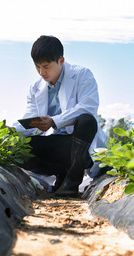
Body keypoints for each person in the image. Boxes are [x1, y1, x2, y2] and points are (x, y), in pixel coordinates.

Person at [12, 35, 107, 197]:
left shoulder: (82, 75)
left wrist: (54, 121)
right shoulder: (35, 88)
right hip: (59, 146)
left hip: (81, 145)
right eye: (37, 67)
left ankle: (73, 179)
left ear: (61, 61)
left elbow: (88, 107)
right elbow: (31, 118)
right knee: (20, 149)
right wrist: (13, 130)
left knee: (86, 120)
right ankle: (62, 173)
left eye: (46, 66)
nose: (42, 72)